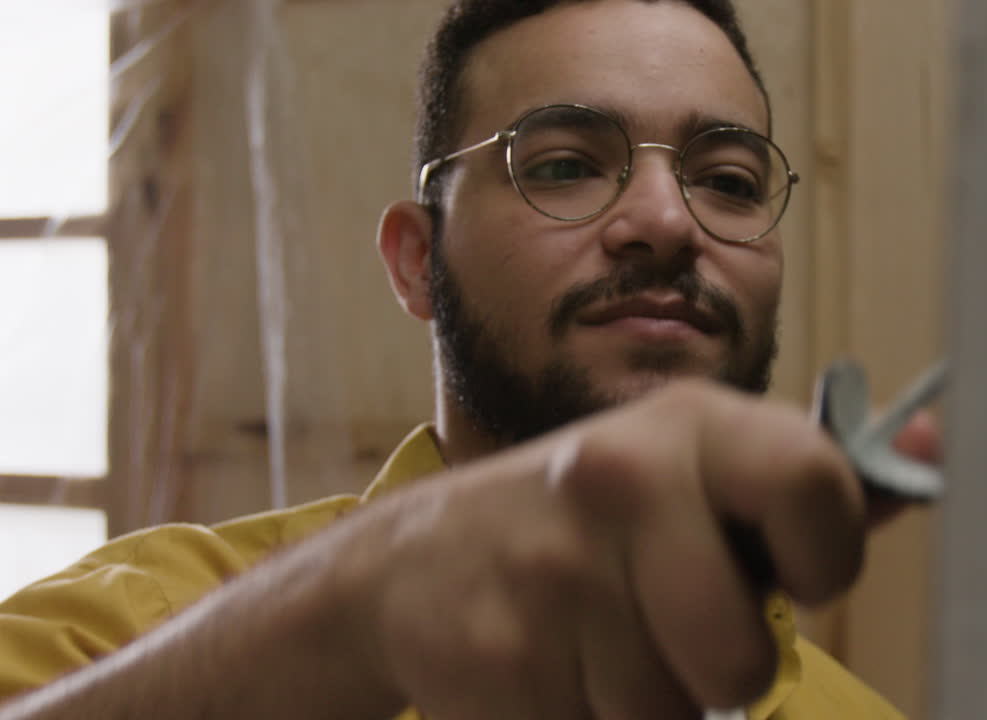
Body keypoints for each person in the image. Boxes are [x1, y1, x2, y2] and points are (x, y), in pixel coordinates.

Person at [0, 1, 939, 718]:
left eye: (729, 182)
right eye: (565, 164)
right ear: (418, 261)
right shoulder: (129, 634)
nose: (665, 221)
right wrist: (352, 623)